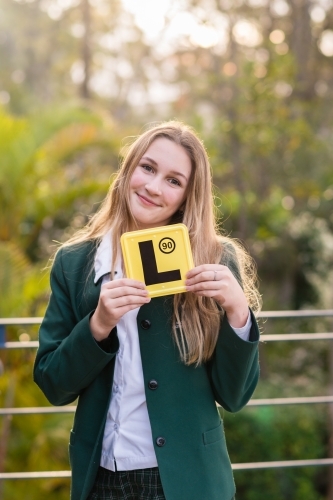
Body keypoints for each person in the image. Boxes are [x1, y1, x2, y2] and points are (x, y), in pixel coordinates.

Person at [33, 121, 261, 500]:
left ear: (188, 196)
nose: (154, 187)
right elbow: (52, 384)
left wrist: (238, 312)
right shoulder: (74, 264)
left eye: (174, 180)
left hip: (185, 480)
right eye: (148, 168)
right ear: (127, 171)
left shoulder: (215, 260)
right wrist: (98, 326)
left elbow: (235, 397)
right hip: (101, 479)